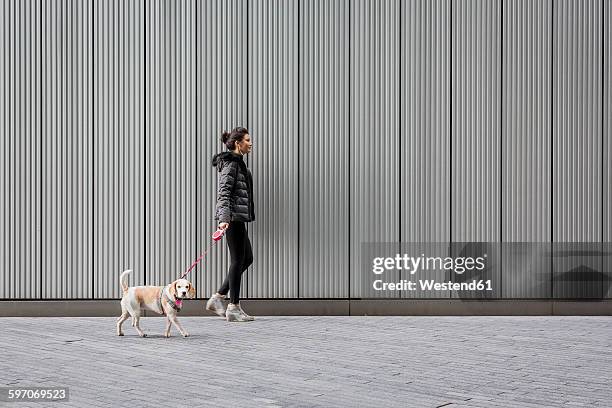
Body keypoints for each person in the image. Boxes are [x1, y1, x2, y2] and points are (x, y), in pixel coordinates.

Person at [206, 127, 255, 322]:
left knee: (247, 258)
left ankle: (218, 297)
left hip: (238, 218)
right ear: (238, 143)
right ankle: (233, 307)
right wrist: (224, 219)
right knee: (237, 261)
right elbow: (223, 193)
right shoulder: (232, 165)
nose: (250, 143)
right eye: (247, 140)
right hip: (232, 219)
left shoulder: (238, 163)